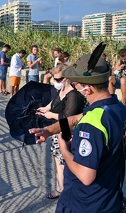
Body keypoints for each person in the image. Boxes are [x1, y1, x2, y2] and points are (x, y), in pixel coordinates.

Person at [30, 53, 126, 213]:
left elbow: (86, 175)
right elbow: (76, 118)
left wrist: (64, 149)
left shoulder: (92, 124)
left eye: (76, 84)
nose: (75, 87)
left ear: (87, 88)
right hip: (109, 199)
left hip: (83, 203)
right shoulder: (118, 108)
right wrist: (49, 130)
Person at [36, 64, 86, 200]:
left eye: (58, 79)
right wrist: (45, 109)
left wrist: (51, 115)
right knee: (58, 160)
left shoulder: (73, 95)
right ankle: (61, 188)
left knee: (64, 163)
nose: (55, 82)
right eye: (54, 79)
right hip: (58, 131)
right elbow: (53, 103)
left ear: (67, 78)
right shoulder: (62, 90)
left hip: (66, 133)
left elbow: (68, 117)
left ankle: (64, 190)